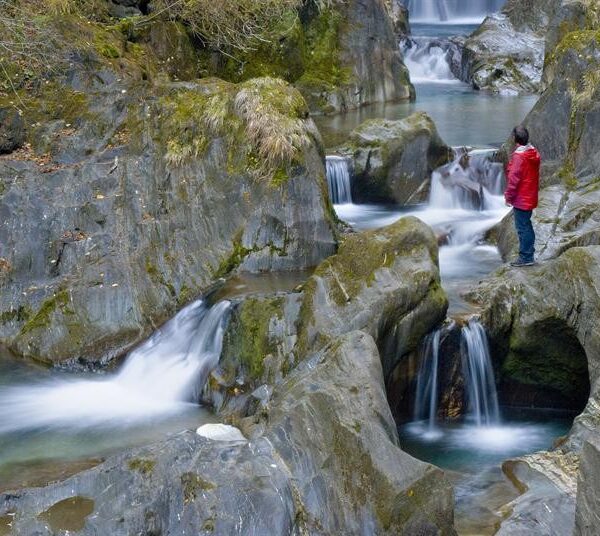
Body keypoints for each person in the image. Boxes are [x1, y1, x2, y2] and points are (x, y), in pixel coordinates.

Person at [505, 125, 541, 267]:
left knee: (522, 227)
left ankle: (526, 257)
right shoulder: (532, 152)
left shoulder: (519, 157)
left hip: (521, 198)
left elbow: (514, 180)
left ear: (515, 139)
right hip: (530, 195)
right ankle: (528, 252)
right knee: (527, 225)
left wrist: (508, 197)